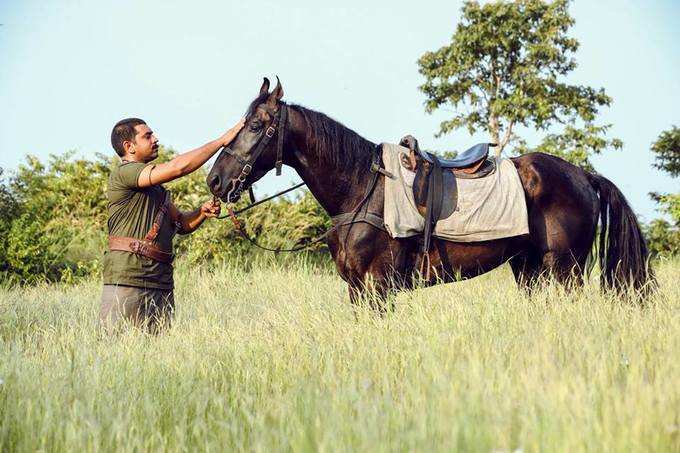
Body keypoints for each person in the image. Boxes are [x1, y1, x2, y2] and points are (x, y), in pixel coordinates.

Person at [100, 116, 244, 333]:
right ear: (129, 147)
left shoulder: (156, 189)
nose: (155, 139)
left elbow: (182, 224)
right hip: (128, 277)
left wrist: (202, 212)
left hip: (160, 280)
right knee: (118, 351)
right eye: (147, 136)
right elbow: (178, 168)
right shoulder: (125, 172)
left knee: (158, 355)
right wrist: (222, 141)